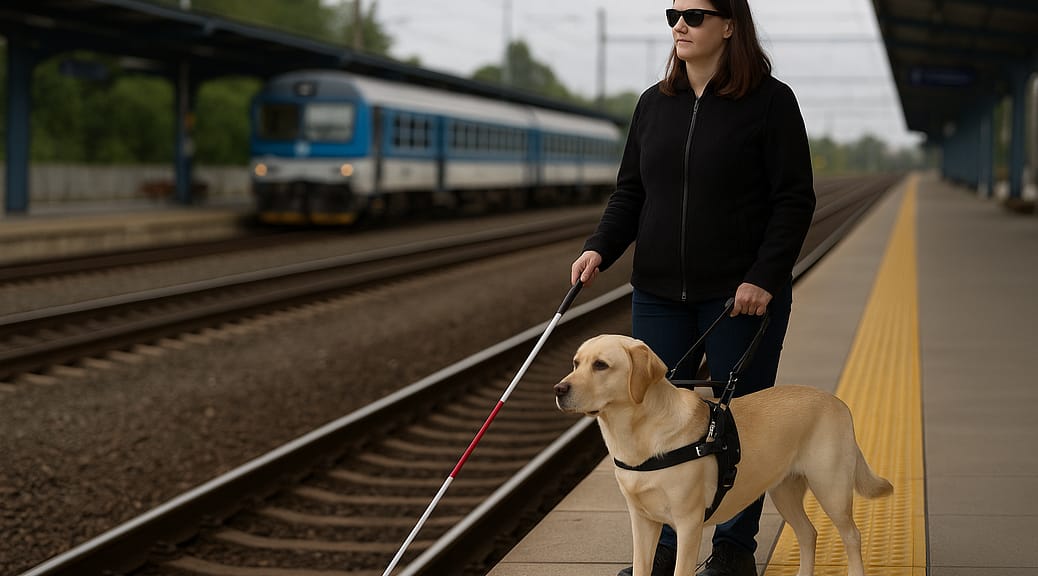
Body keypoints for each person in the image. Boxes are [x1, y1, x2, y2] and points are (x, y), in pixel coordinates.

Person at [569, 1, 816, 575]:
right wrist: (599, 246)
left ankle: (732, 550)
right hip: (657, 291)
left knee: (736, 424)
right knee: (656, 419)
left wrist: (763, 276)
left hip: (739, 297)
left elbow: (793, 201)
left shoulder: (772, 104)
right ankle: (663, 556)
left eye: (694, 15)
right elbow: (630, 192)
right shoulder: (654, 105)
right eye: (672, 13)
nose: (679, 24)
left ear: (729, 25)